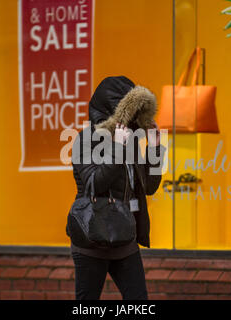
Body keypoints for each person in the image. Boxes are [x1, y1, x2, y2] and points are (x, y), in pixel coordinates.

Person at [69, 76, 165, 299]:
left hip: (125, 235)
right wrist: (117, 147)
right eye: (129, 112)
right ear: (113, 111)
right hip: (92, 235)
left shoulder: (130, 140)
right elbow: (94, 183)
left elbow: (148, 187)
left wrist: (155, 148)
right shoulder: (85, 139)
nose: (133, 119)